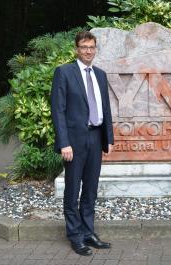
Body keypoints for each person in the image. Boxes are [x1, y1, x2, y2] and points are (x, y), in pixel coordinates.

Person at [51, 31, 114, 256]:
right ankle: (75, 236)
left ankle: (88, 232)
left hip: (96, 138)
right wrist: (64, 143)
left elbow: (105, 108)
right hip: (74, 142)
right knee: (72, 190)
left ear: (95, 49)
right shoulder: (64, 72)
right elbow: (58, 111)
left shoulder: (100, 74)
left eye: (92, 47)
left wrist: (109, 138)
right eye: (84, 47)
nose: (88, 51)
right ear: (77, 49)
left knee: (90, 189)